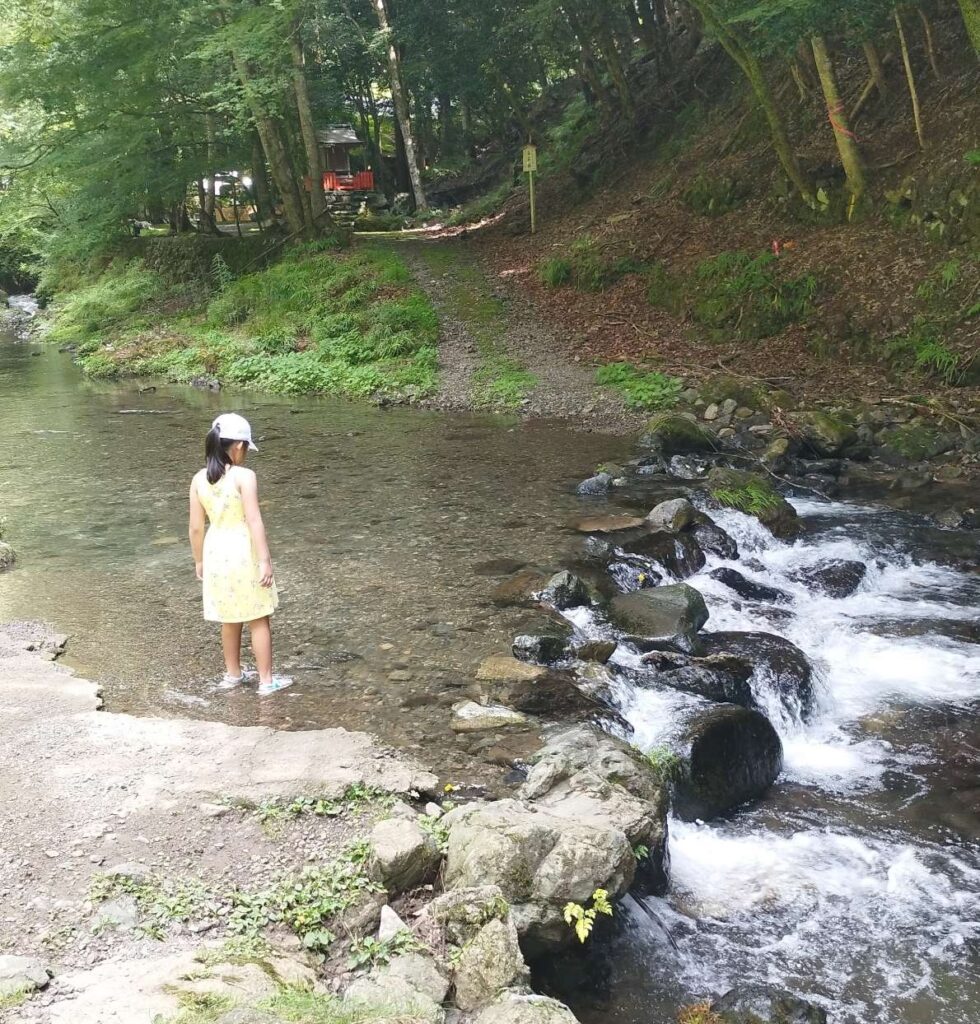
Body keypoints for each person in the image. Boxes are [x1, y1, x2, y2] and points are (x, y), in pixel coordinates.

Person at [188, 413, 293, 696]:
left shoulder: (198, 479)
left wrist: (199, 560)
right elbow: (255, 520)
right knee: (259, 617)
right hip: (242, 549)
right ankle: (266, 681)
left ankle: (233, 674)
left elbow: (196, 527)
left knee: (229, 616)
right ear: (237, 447)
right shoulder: (244, 477)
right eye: (246, 447)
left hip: (215, 549)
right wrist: (265, 561)